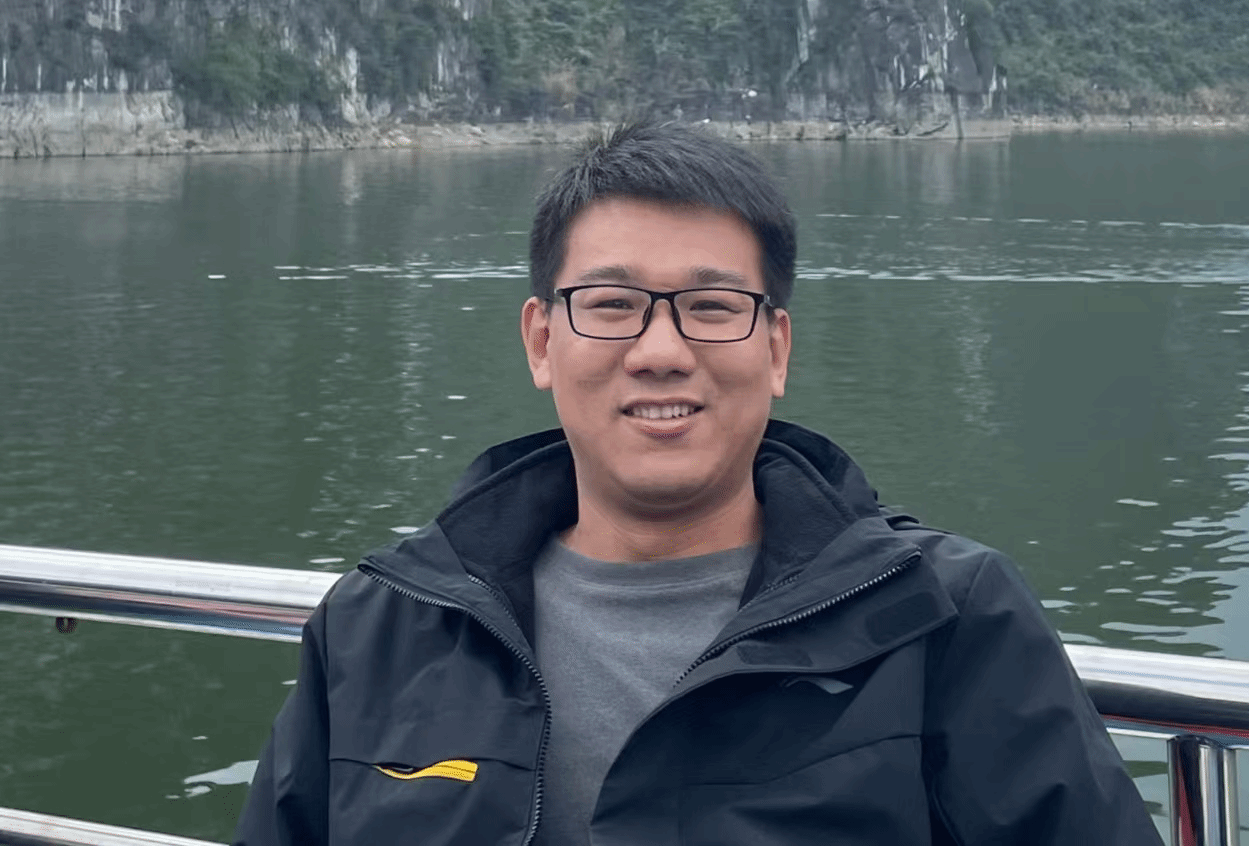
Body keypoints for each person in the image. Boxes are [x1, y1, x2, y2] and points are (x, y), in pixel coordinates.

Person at [234, 119, 1161, 845]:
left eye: (713, 307)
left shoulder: (941, 620)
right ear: (542, 341)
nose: (661, 351)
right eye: (612, 305)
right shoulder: (382, 627)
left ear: (776, 348)